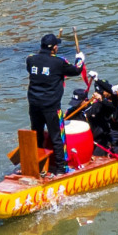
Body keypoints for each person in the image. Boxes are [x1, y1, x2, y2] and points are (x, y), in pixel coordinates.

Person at [24, 31, 84, 175]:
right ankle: (61, 168)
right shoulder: (59, 61)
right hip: (51, 106)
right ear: (54, 48)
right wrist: (80, 59)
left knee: (36, 133)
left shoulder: (30, 59)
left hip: (34, 104)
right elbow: (76, 70)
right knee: (57, 136)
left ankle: (38, 166)